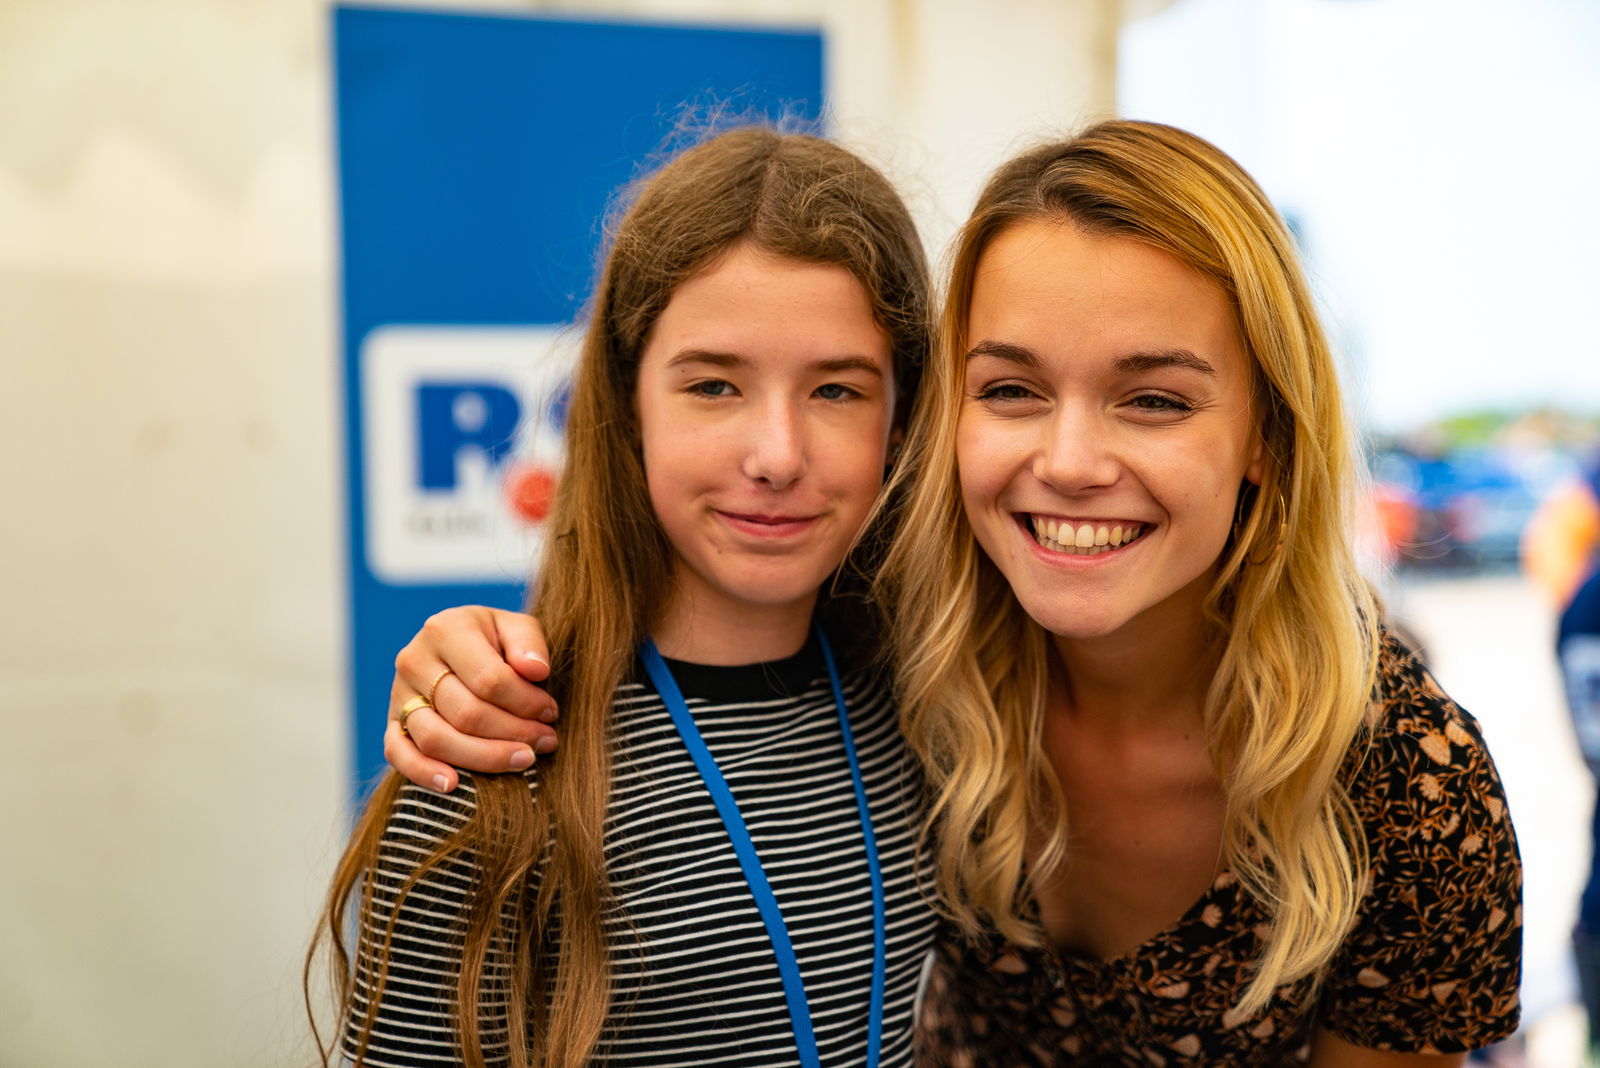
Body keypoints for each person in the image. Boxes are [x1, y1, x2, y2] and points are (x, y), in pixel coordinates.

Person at [384, 121, 1522, 1065]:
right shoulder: (920, 653)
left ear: (1265, 435)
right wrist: (467, 656)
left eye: (1155, 401)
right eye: (1013, 388)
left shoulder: (1400, 786)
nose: (1070, 459)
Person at [308, 126, 940, 1068]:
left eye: (837, 391)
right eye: (715, 385)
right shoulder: (498, 757)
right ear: (627, 404)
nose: (776, 455)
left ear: (902, 417)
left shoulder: (935, 707)